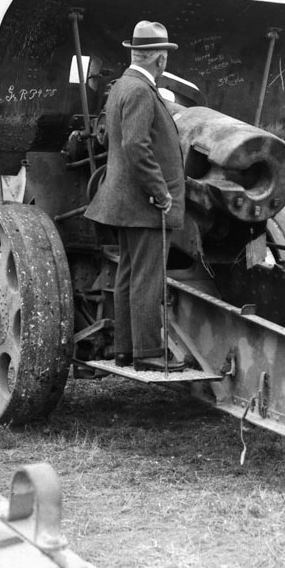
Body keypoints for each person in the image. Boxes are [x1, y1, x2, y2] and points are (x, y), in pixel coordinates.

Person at [85, 21, 185, 372]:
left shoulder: (121, 87)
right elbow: (136, 146)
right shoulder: (142, 91)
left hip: (125, 202)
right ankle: (149, 354)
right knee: (147, 278)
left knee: (128, 273)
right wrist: (161, 191)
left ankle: (126, 350)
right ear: (160, 59)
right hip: (144, 204)